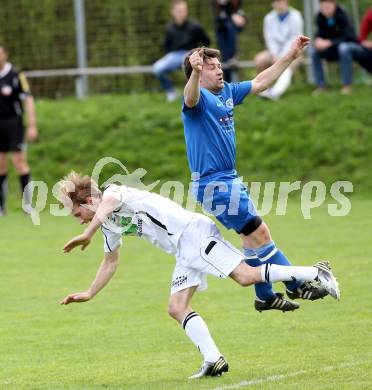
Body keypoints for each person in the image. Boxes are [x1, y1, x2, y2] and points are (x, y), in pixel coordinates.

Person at [58, 171, 339, 379]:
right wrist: (89, 292)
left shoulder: (114, 194)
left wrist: (86, 233)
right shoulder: (108, 225)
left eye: (78, 213)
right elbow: (110, 261)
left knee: (245, 276)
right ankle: (213, 359)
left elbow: (109, 200)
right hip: (183, 248)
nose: (80, 219)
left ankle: (316, 272)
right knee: (176, 307)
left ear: (89, 200)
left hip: (192, 234)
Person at [181, 37, 331, 314]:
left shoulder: (225, 93)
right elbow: (190, 97)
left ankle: (265, 296)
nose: (219, 70)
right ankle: (296, 282)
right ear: (199, 73)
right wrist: (196, 72)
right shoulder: (197, 100)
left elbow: (261, 82)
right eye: (211, 67)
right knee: (259, 233)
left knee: (254, 240)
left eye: (218, 65)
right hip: (214, 184)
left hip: (229, 179)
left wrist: (291, 55)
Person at [0, 44, 38, 216]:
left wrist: (31, 124)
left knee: (19, 163)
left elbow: (28, 99)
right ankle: (1, 208)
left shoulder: (17, 76)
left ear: (5, 55)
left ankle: (28, 205)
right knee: (0, 166)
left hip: (14, 123)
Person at [153, 0, 210, 102]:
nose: (182, 13)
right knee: (157, 68)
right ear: (173, 12)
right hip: (173, 55)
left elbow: (206, 41)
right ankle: (171, 92)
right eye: (179, 10)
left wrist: (197, 53)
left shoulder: (195, 26)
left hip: (189, 53)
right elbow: (166, 45)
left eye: (184, 10)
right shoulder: (169, 28)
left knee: (189, 68)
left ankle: (194, 94)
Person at [254, 0, 303, 100]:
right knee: (260, 59)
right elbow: (269, 38)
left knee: (288, 65)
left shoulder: (296, 16)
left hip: (294, 51)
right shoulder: (269, 18)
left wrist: (284, 56)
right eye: (276, 1)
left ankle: (275, 93)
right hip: (274, 52)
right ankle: (264, 90)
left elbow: (295, 38)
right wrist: (274, 54)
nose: (278, 4)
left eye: (280, 1)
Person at [309, 0, 358, 94]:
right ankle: (321, 86)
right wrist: (318, 41)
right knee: (313, 51)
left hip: (349, 48)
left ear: (334, 5)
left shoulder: (342, 15)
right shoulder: (320, 17)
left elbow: (349, 37)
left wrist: (329, 42)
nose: (325, 9)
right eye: (323, 7)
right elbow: (319, 34)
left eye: (327, 6)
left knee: (343, 48)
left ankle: (346, 85)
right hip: (331, 50)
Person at [211, 0, 247, 83]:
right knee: (225, 58)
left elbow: (242, 18)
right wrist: (231, 17)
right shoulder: (216, 3)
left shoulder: (236, 3)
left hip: (232, 36)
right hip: (222, 34)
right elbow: (219, 20)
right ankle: (228, 82)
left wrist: (241, 19)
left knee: (229, 60)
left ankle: (233, 58)